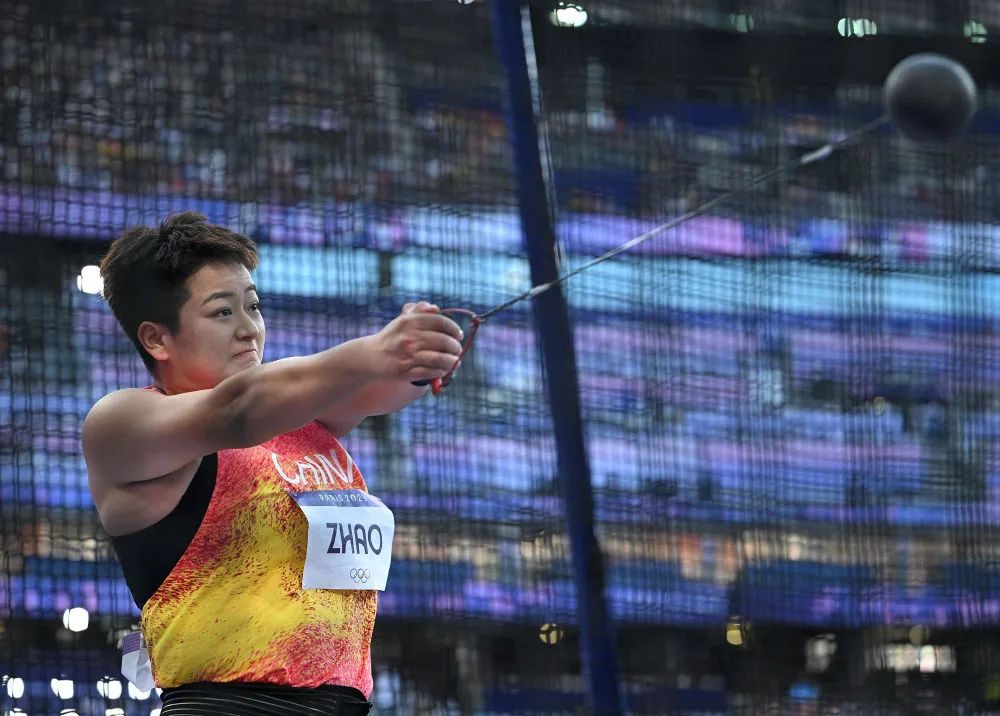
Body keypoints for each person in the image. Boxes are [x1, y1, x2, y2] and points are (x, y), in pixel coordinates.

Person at [82, 211, 463, 715]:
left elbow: (378, 387)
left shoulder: (302, 420)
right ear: (157, 339)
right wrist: (377, 351)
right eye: (222, 312)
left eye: (253, 306)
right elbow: (239, 409)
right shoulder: (123, 422)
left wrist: (424, 352)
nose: (248, 329)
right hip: (224, 706)